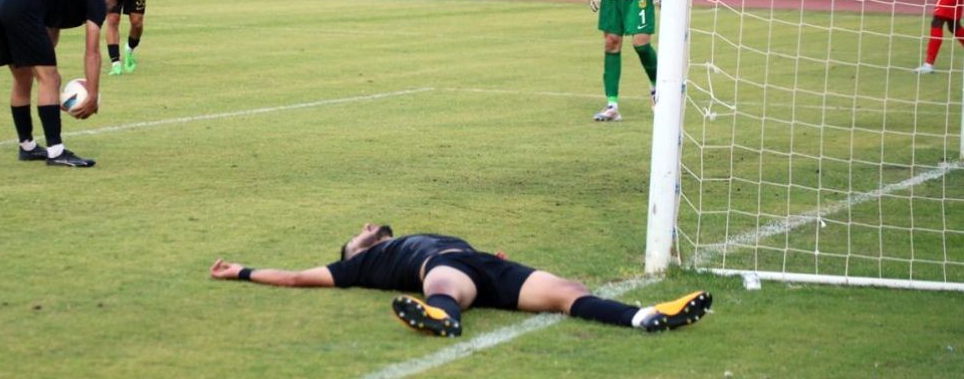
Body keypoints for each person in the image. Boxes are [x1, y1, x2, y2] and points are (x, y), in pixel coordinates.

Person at [210, 223, 712, 338]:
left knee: (568, 293)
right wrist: (243, 272)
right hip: (443, 274)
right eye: (360, 233)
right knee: (445, 286)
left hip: (486, 267)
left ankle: (645, 316)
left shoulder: (423, 231)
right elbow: (298, 278)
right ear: (354, 251)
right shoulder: (358, 267)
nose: (368, 228)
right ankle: (441, 318)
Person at [0, 0, 123, 167]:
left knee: (23, 77)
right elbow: (92, 52)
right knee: (51, 78)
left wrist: (48, 99)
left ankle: (27, 147)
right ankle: (56, 152)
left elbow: (51, 30)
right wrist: (92, 95)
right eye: (112, 9)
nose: (107, 13)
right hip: (21, 6)